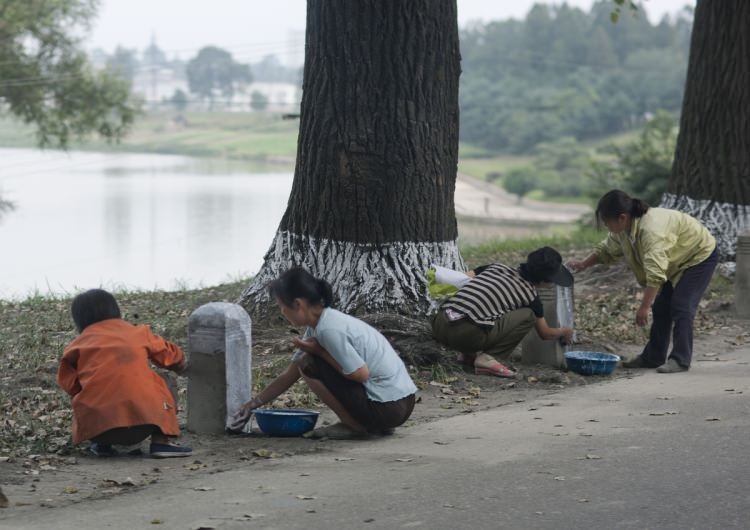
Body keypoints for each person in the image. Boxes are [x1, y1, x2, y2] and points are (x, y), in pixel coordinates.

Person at [233, 267, 418, 440]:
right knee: (305, 362)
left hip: (388, 409)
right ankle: (373, 425)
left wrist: (320, 352)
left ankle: (354, 426)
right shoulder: (322, 323)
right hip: (403, 403)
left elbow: (361, 374)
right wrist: (253, 404)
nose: (282, 312)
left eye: (282, 306)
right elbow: (289, 374)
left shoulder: (329, 330)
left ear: (298, 304)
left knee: (308, 364)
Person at [568, 190, 717, 373]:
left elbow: (655, 273)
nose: (607, 227)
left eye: (607, 222)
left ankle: (680, 359)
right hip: (675, 260)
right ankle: (653, 358)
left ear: (622, 217)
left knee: (681, 305)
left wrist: (644, 306)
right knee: (662, 307)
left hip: (698, 255)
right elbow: (606, 250)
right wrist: (583, 264)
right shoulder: (624, 229)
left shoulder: (651, 230)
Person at [57, 289, 192, 457]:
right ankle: (161, 442)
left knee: (87, 392)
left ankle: (101, 446)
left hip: (99, 428)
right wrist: (181, 365)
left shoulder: (76, 346)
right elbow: (170, 356)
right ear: (116, 310)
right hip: (145, 422)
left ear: (79, 320)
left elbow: (69, 384)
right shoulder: (138, 333)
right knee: (166, 379)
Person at [432, 247, 575, 377]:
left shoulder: (495, 267)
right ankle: (487, 359)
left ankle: (467, 354)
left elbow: (465, 278)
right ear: (545, 280)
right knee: (528, 315)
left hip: (439, 324)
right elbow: (545, 333)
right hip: (467, 336)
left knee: (484, 309)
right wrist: (565, 331)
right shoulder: (531, 296)